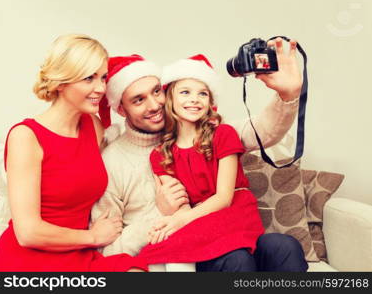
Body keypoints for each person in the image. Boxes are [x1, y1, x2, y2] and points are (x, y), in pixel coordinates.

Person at [92, 38, 308, 271]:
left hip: (225, 233)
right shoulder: (113, 160)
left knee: (283, 246)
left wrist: (288, 95)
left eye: (157, 91)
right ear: (122, 109)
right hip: (181, 251)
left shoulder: (207, 131)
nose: (154, 105)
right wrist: (159, 215)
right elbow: (107, 249)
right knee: (236, 260)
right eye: (138, 100)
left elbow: (262, 130)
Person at [0, 34, 147, 272]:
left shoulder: (93, 125)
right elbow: (28, 233)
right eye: (89, 78)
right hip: (29, 261)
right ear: (61, 82)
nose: (101, 88)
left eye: (103, 78)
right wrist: (93, 237)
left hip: (77, 257)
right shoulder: (26, 136)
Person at [136, 53, 265, 268]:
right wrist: (175, 219)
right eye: (185, 92)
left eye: (202, 94)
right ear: (170, 100)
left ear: (210, 102)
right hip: (199, 218)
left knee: (172, 246)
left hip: (233, 212)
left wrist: (180, 220)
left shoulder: (223, 134)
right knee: (154, 250)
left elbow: (224, 198)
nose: (195, 99)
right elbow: (180, 204)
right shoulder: (159, 154)